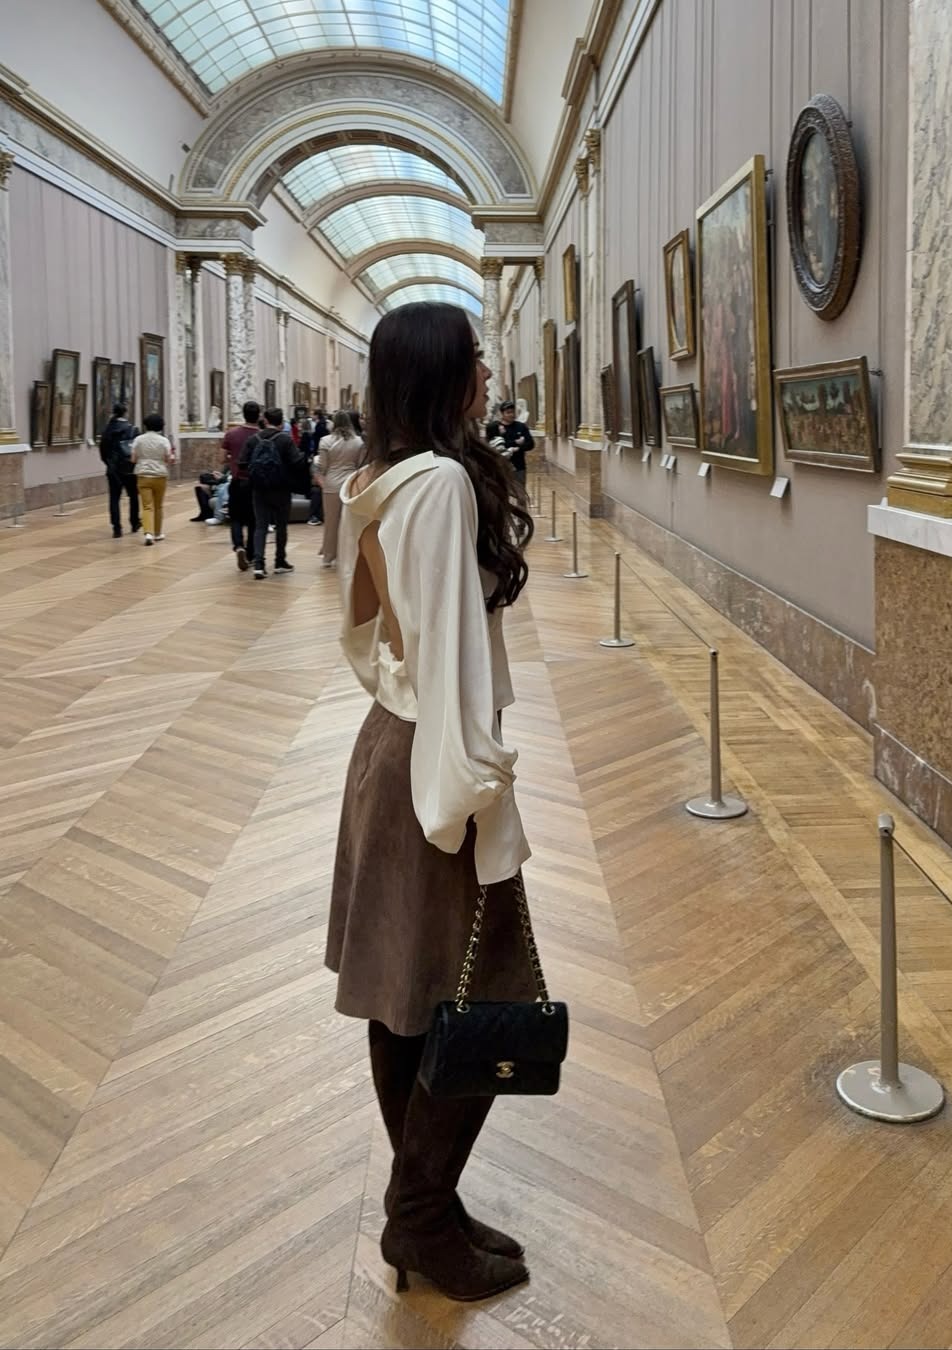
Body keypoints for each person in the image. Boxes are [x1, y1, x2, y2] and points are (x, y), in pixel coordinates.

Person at [326, 302, 535, 1302]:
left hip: (389, 748)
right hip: (436, 763)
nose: (487, 376)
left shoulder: (373, 478)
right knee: (481, 991)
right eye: (476, 362)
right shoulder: (444, 482)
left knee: (406, 995)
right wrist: (470, 791)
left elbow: (369, 637)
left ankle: (429, 1210)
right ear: (440, 376)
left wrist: (414, 727)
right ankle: (418, 1218)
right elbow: (451, 647)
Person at [243, 406, 302, 579]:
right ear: (281, 421)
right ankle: (279, 562)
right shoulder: (285, 440)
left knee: (261, 526)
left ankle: (259, 565)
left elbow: (242, 462)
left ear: (266, 420)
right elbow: (296, 462)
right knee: (281, 526)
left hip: (259, 489)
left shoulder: (253, 439)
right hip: (282, 489)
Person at [314, 409, 363, 568]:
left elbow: (322, 467)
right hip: (351, 483)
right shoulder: (358, 442)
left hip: (331, 485)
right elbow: (360, 466)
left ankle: (328, 557)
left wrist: (322, 482)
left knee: (331, 522)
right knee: (350, 522)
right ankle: (349, 555)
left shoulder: (325, 441)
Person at [222, 400, 260, 571]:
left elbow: (222, 458)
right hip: (255, 482)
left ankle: (239, 546)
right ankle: (251, 554)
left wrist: (233, 461)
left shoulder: (231, 434)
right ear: (258, 415)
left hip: (237, 481)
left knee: (236, 517)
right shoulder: (262, 435)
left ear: (243, 414)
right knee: (253, 519)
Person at [130, 413, 175, 545]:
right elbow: (168, 459)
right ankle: (158, 533)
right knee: (158, 506)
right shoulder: (164, 440)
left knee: (147, 506)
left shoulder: (138, 439)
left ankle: (148, 533)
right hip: (160, 474)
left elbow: (133, 459)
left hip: (143, 474)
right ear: (160, 426)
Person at [99, 401, 140, 537]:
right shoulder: (132, 429)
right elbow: (136, 450)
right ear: (125, 412)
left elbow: (103, 451)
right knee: (133, 496)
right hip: (129, 468)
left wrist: (109, 464)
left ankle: (116, 528)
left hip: (113, 468)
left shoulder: (107, 429)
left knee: (114, 498)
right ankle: (134, 523)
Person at [490, 400, 534, 487]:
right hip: (501, 466)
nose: (511, 415)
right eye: (508, 412)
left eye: (513, 412)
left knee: (520, 491)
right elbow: (494, 445)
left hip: (519, 466)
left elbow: (530, 444)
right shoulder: (494, 427)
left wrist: (518, 448)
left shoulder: (521, 426)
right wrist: (515, 442)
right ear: (502, 413)